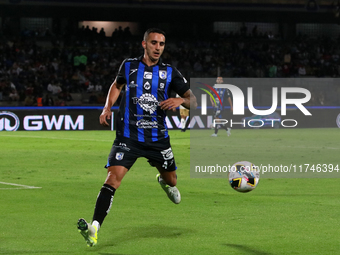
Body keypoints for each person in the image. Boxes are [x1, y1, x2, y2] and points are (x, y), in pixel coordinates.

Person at [77, 28, 197, 247]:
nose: (158, 48)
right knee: (112, 180)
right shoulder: (129, 65)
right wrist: (107, 108)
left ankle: (164, 181)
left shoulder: (170, 72)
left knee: (172, 180)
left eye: (161, 44)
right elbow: (117, 85)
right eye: (154, 43)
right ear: (144, 44)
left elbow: (194, 100)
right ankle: (94, 228)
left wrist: (181, 101)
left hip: (157, 138)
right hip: (128, 136)